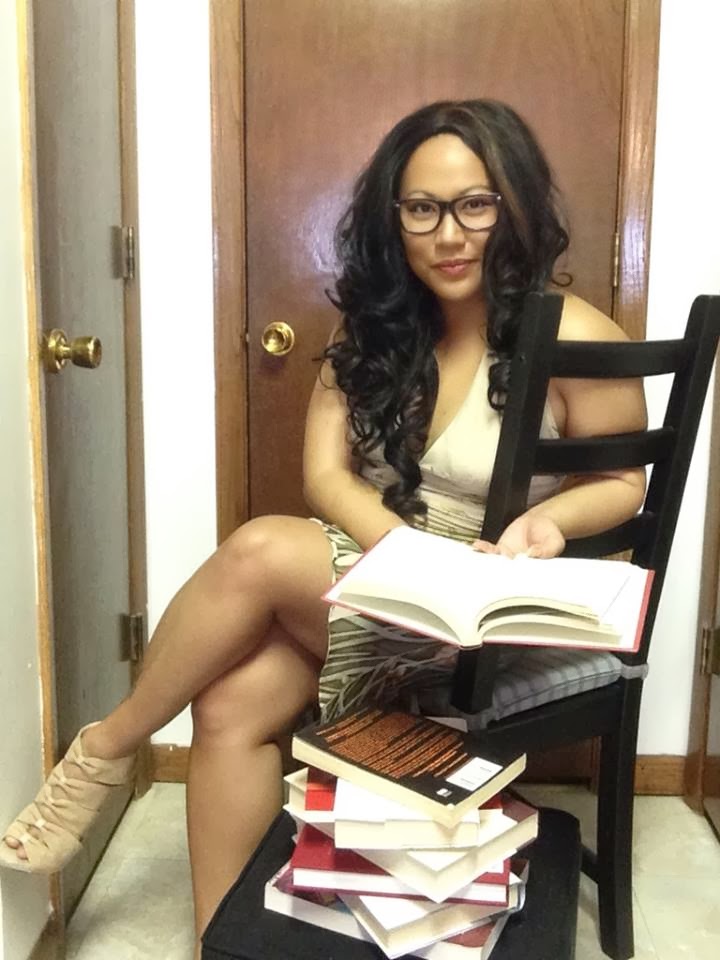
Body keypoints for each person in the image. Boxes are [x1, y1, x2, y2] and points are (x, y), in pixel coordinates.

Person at [0, 99, 646, 951]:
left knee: (261, 548)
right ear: (393, 218)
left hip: (484, 610)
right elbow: (324, 477)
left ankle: (106, 750)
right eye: (423, 209)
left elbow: (622, 482)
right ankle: (221, 943)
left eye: (475, 204)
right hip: (386, 574)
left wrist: (551, 522)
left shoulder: (574, 335)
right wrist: (407, 557)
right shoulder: (370, 331)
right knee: (230, 704)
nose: (450, 234)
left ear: (515, 204)